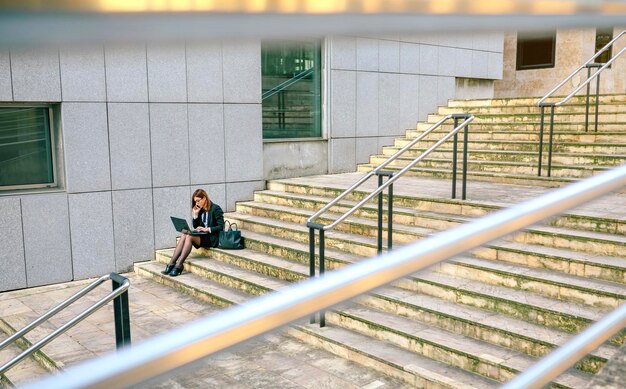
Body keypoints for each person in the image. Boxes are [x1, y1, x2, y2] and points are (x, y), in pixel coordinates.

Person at [162, 189, 224, 277]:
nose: (197, 203)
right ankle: (171, 263)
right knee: (184, 233)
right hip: (203, 235)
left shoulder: (215, 208)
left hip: (212, 238)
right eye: (195, 202)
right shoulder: (201, 210)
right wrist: (195, 214)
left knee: (189, 237)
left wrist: (207, 229)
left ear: (205, 198)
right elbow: (195, 226)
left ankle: (179, 265)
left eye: (198, 201)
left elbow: (221, 226)